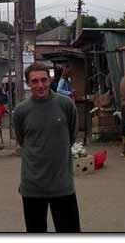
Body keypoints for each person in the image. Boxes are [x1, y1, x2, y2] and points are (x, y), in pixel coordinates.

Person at [13, 62, 81, 233]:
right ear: (28, 84)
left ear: (50, 80)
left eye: (44, 80)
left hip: (62, 185)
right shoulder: (21, 111)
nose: (40, 85)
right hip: (32, 187)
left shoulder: (66, 105)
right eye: (35, 81)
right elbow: (23, 141)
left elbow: (71, 137)